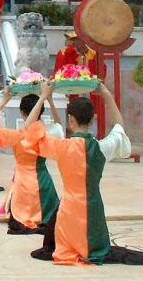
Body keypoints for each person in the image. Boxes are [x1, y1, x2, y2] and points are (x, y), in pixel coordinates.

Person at [23, 81, 141, 266]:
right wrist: (106, 93)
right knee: (96, 243)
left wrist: (45, 95)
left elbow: (29, 128)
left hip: (68, 213)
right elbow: (119, 126)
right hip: (94, 213)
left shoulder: (61, 147)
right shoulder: (101, 148)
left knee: (65, 241)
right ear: (92, 120)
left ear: (70, 120)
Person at [0, 88, 62, 235]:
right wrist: (48, 98)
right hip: (44, 186)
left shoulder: (16, 136)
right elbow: (60, 126)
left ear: (22, 113)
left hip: (22, 186)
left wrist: (4, 101)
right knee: (52, 216)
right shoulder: (47, 135)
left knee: (20, 214)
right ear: (41, 111)